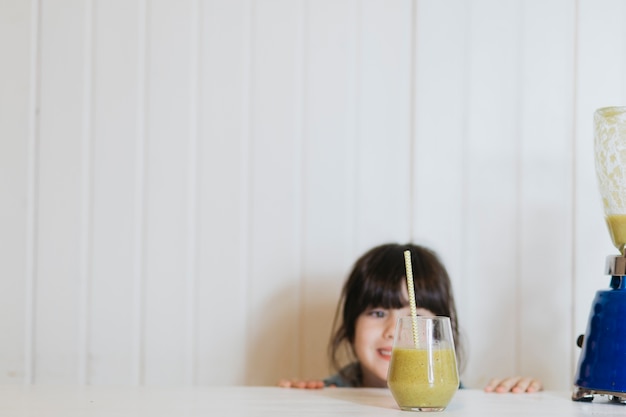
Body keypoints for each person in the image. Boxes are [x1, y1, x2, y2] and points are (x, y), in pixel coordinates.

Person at [278, 243, 543, 393]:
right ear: (349, 328)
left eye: (414, 316)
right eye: (378, 313)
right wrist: (302, 401)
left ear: (441, 336)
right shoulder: (328, 395)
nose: (394, 331)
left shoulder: (463, 400)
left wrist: (516, 397)